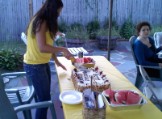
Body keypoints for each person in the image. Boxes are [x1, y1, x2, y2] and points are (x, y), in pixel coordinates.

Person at [23, 0, 73, 119]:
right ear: (52, 10)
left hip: (41, 64)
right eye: (58, 12)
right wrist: (63, 49)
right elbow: (42, 47)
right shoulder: (41, 22)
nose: (58, 15)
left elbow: (48, 45)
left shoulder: (45, 21)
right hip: (34, 66)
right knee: (44, 101)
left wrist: (56, 61)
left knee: (45, 98)